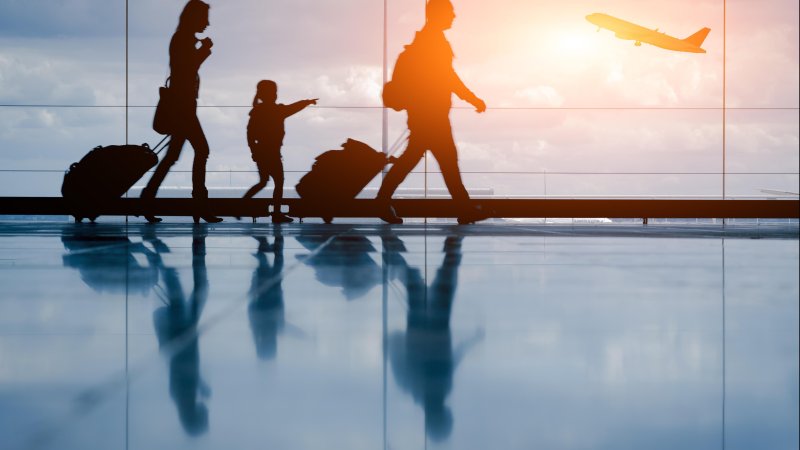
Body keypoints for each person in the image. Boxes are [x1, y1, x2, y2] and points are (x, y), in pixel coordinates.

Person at [376, 0, 487, 225]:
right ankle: (464, 209)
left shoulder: (428, 41)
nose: (454, 17)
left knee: (421, 159)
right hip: (431, 115)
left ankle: (381, 201)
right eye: (450, 13)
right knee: (445, 161)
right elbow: (448, 77)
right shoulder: (434, 43)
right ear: (437, 14)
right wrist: (472, 98)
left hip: (425, 113)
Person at [141, 0, 221, 224]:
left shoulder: (183, 38)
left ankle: (147, 199)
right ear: (194, 18)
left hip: (183, 106)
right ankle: (199, 206)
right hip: (183, 107)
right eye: (204, 18)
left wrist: (202, 49)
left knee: (172, 157)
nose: (207, 23)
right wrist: (205, 50)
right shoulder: (184, 39)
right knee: (202, 150)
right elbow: (187, 69)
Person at [242, 80, 317, 223]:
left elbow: (250, 134)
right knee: (278, 181)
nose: (275, 95)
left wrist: (254, 151)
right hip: (271, 153)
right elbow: (294, 108)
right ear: (270, 95)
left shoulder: (258, 111)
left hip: (262, 152)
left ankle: (243, 204)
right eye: (274, 92)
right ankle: (275, 213)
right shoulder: (277, 111)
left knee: (264, 181)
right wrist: (307, 102)